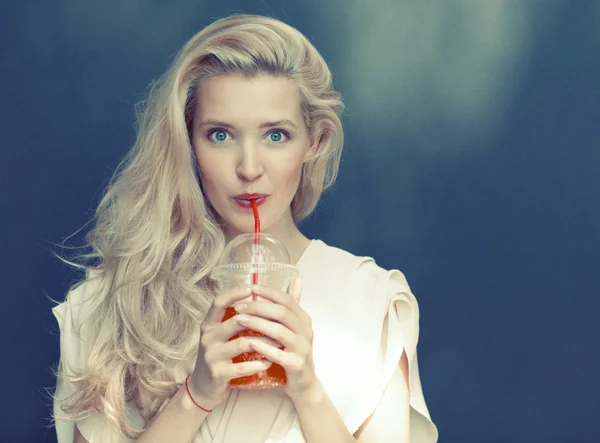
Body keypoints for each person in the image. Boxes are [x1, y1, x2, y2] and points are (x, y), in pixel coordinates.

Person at [51, 13, 438, 443]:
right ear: (188, 142)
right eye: (220, 135)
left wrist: (308, 390)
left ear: (315, 142)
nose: (249, 169)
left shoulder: (373, 302)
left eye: (276, 136)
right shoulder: (111, 304)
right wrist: (194, 396)